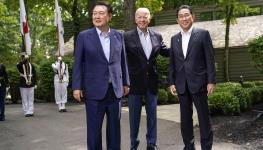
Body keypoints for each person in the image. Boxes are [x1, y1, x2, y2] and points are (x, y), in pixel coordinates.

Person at [72, 2, 130, 150]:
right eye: (94, 13)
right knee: (94, 132)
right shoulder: (84, 36)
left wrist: (126, 83)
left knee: (114, 131)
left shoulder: (118, 36)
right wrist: (77, 86)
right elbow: (78, 63)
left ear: (109, 16)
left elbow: (123, 61)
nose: (97, 16)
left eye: (101, 13)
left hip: (115, 91)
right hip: (93, 92)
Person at [168, 5, 216, 150]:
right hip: (181, 85)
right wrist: (171, 82)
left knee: (203, 118)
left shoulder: (203, 34)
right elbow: (173, 63)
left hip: (199, 83)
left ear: (192, 17)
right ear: (177, 20)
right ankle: (188, 147)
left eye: (187, 15)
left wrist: (211, 81)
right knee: (185, 120)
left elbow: (210, 59)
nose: (184, 18)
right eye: (181, 16)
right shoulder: (174, 39)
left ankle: (206, 147)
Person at [124, 8, 170, 150]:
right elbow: (121, 60)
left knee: (152, 116)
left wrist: (182, 46)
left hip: (152, 82)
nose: (142, 19)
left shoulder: (157, 36)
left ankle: (151, 143)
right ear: (135, 19)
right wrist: (123, 82)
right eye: (140, 17)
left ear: (149, 19)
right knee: (134, 117)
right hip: (134, 83)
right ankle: (133, 144)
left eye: (145, 17)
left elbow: (165, 51)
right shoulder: (126, 36)